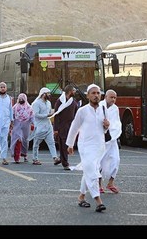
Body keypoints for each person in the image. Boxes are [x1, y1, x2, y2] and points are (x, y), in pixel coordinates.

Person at [66, 84, 109, 212]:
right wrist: (70, 144)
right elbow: (74, 127)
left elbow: (104, 130)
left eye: (98, 93)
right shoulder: (82, 111)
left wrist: (107, 126)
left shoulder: (103, 109)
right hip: (85, 145)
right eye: (93, 93)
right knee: (93, 172)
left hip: (99, 146)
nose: (96, 95)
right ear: (88, 95)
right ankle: (98, 200)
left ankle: (81, 197)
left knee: (89, 170)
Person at [30, 87, 61, 165]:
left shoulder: (48, 103)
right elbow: (36, 115)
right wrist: (47, 115)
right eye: (48, 93)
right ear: (43, 94)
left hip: (48, 126)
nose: (49, 95)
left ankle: (55, 158)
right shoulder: (36, 103)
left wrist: (53, 113)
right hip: (39, 127)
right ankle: (35, 159)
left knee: (51, 142)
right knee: (36, 144)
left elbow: (50, 112)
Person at [98, 89, 122, 193]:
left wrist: (112, 129)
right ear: (105, 97)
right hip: (101, 140)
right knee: (99, 162)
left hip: (113, 139)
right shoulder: (99, 107)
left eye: (115, 97)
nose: (113, 99)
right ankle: (98, 185)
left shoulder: (115, 109)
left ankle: (110, 183)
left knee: (116, 160)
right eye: (111, 97)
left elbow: (117, 123)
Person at [52, 85, 78, 170]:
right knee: (63, 145)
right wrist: (55, 129)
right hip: (62, 127)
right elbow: (56, 115)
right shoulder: (60, 101)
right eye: (74, 90)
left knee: (69, 144)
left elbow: (76, 114)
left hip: (71, 126)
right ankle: (65, 163)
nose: (75, 92)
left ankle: (62, 158)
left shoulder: (73, 101)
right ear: (70, 91)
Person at [10, 93, 34, 163]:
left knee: (25, 141)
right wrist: (10, 123)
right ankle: (16, 157)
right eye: (20, 99)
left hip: (26, 127)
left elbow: (32, 116)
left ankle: (24, 154)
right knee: (17, 140)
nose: (21, 100)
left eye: (22, 99)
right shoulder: (15, 107)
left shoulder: (29, 108)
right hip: (17, 126)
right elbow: (12, 116)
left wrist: (35, 124)